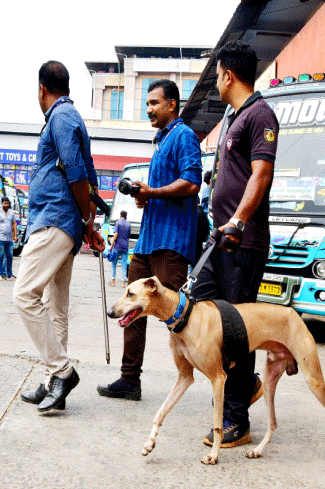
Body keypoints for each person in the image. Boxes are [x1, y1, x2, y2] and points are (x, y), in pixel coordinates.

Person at [192, 40, 278, 449]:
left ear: (228, 74)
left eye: (218, 73)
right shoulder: (236, 116)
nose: (216, 81)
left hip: (242, 243)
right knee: (201, 305)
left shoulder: (260, 113)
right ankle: (249, 384)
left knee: (236, 331)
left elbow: (261, 174)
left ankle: (236, 421)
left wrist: (239, 220)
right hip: (220, 239)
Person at [97, 79, 201, 401]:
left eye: (154, 103)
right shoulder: (162, 140)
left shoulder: (184, 136)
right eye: (147, 104)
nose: (149, 110)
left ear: (172, 104)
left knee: (181, 318)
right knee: (133, 307)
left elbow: (192, 183)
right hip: (147, 244)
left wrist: (153, 192)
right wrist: (147, 197)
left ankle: (221, 372)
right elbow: (167, 190)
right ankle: (130, 380)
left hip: (171, 245)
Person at [14, 60, 105, 413]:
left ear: (41, 89)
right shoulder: (70, 117)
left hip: (55, 219)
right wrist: (87, 224)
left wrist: (85, 218)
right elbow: (90, 175)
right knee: (56, 306)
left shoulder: (61, 117)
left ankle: (62, 372)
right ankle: (56, 381)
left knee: (24, 293)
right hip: (65, 221)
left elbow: (79, 173)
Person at [0, 196, 17, 281]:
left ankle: (9, 274)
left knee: (10, 256)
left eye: (8, 203)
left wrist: (15, 235)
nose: (6, 205)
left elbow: (14, 224)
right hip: (1, 238)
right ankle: (0, 274)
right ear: (2, 204)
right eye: (5, 203)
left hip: (9, 238)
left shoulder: (11, 212)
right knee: (1, 256)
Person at [107, 210, 131, 287]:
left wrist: (111, 245)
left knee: (114, 263)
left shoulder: (118, 222)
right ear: (126, 216)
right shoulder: (128, 224)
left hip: (117, 246)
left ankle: (113, 281)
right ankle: (123, 282)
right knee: (124, 264)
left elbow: (116, 234)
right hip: (125, 247)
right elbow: (128, 236)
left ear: (120, 215)